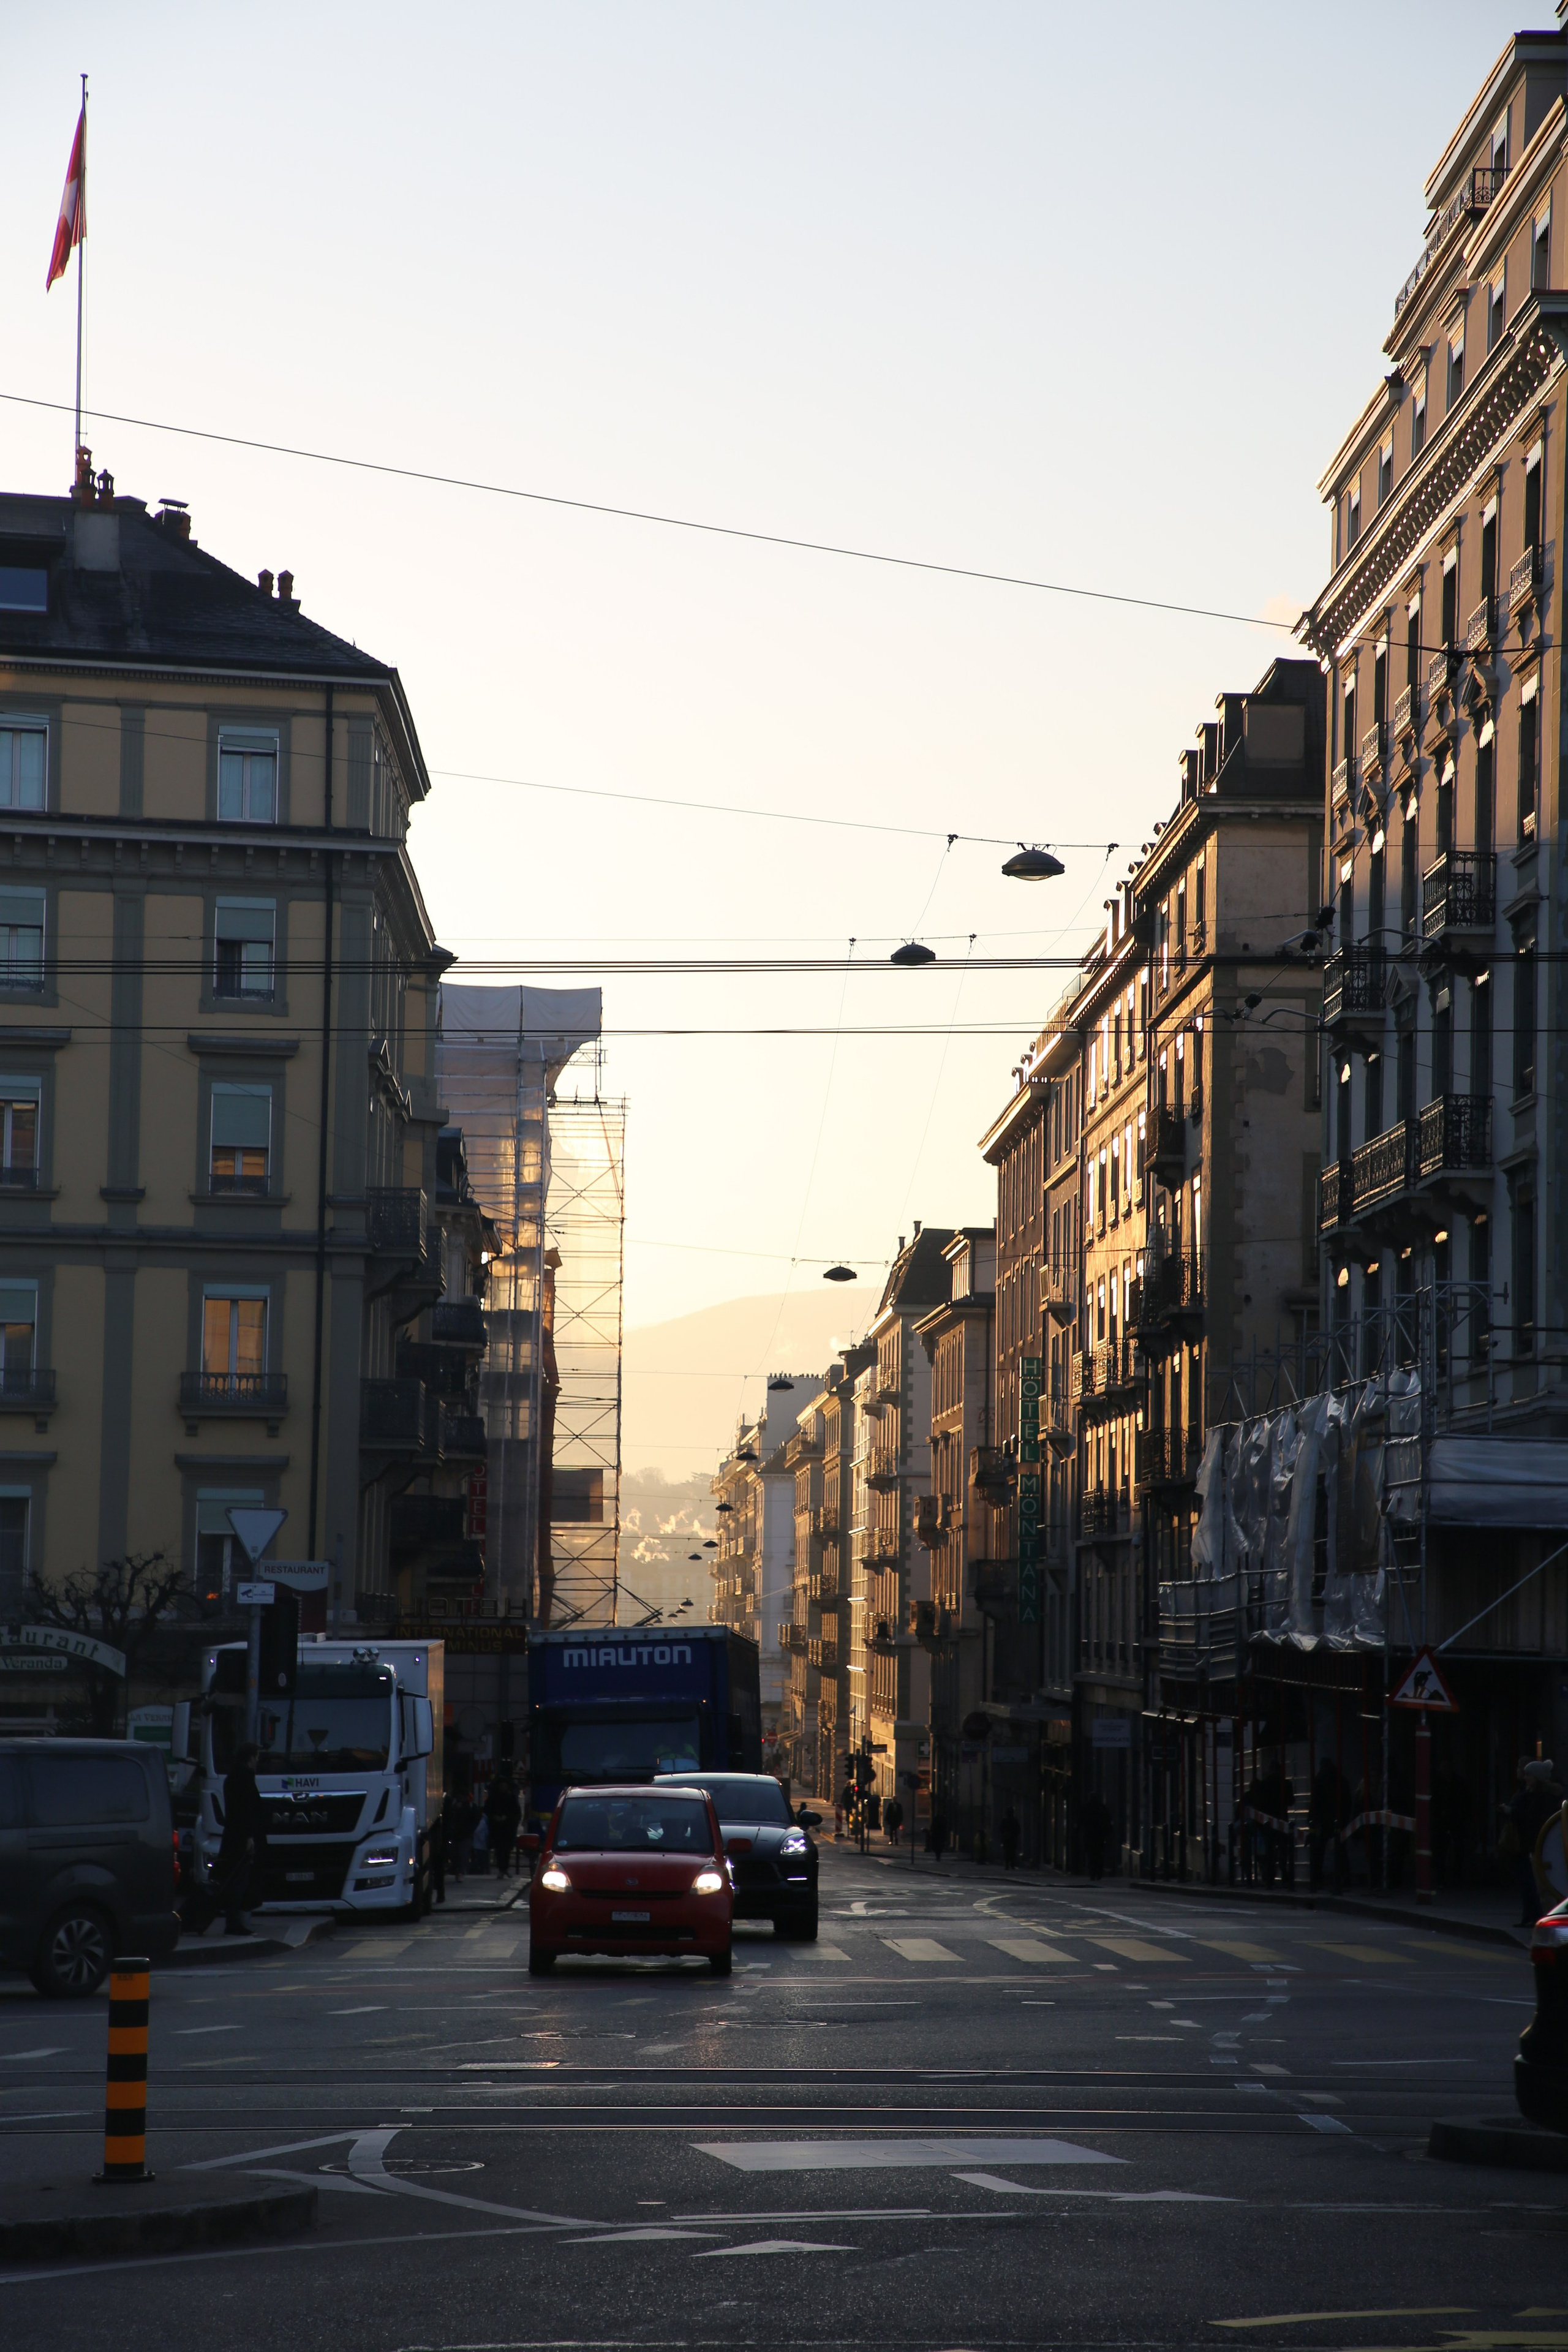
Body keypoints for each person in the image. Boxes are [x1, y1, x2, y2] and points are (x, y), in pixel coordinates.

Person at [214, 1739, 267, 1936]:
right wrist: (249, 1837)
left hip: (233, 1837)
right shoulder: (244, 1779)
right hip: (241, 1839)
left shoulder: (232, 1778)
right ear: (251, 1758)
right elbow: (245, 1811)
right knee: (239, 1881)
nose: (258, 1761)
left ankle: (233, 1920)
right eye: (257, 1757)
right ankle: (234, 1922)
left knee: (235, 1879)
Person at [1508, 1759, 1563, 1925]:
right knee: (1545, 1888)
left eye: (1529, 1775)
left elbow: (1535, 1820)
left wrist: (1514, 1812)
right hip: (1543, 1845)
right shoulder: (1541, 1795)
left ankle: (1552, 1922)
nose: (1525, 1778)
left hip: (1541, 1846)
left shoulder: (1542, 1797)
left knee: (1545, 1888)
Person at [486, 1771, 521, 1878]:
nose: (503, 1788)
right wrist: (494, 1817)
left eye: (504, 1786)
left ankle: (505, 1868)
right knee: (499, 1849)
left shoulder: (511, 1798)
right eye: (501, 1786)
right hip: (497, 1828)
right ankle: (501, 1869)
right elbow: (487, 1811)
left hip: (508, 1828)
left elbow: (516, 1813)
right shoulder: (493, 1798)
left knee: (507, 1849)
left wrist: (507, 1818)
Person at [1080, 1790, 1112, 1881]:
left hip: (1089, 1836)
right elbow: (1108, 1821)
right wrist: (1108, 1833)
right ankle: (1099, 1873)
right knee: (1099, 1855)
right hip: (1099, 1836)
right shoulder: (1101, 1808)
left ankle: (1092, 1874)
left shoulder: (1086, 1808)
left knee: (1091, 1856)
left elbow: (1080, 1821)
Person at [1000, 1804, 1020, 1871]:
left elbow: (1001, 1829)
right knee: (1013, 1852)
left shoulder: (1004, 1820)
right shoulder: (1015, 1820)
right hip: (1013, 1838)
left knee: (1006, 1852)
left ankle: (1007, 1865)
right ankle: (1012, 1865)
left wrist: (1003, 1834)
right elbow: (1018, 1829)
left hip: (1006, 1838)